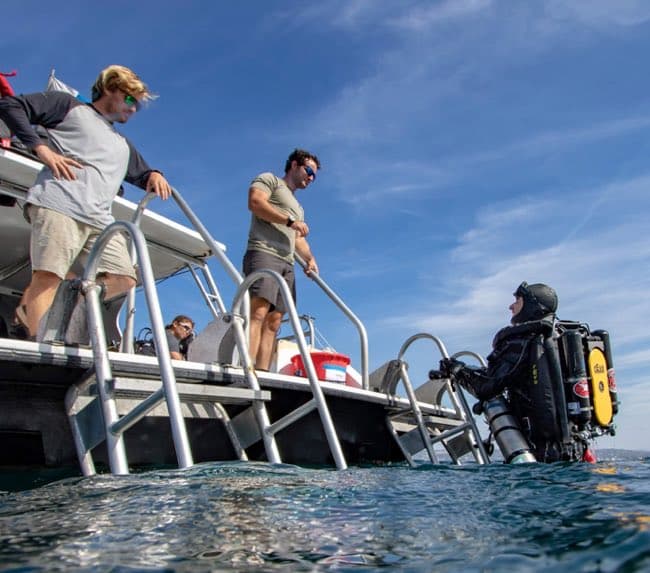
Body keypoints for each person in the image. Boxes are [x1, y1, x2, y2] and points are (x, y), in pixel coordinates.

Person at [0, 65, 172, 339]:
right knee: (49, 276)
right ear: (109, 89)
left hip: (99, 218)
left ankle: (53, 306)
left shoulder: (121, 142)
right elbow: (10, 105)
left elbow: (142, 172)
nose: (133, 109)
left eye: (137, 106)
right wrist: (42, 149)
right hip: (60, 203)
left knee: (124, 278)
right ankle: (37, 344)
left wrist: (155, 174)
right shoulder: (68, 106)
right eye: (129, 99)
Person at [441, 281, 577, 463]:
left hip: (539, 455)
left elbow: (487, 386)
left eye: (518, 301)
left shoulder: (522, 340)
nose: (511, 306)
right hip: (574, 448)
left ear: (532, 305)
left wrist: (457, 370)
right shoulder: (559, 340)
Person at [243, 148, 320, 371]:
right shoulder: (271, 180)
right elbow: (256, 202)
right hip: (264, 252)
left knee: (275, 321)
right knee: (259, 311)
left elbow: (297, 239)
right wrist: (289, 221)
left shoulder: (298, 207)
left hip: (288, 263)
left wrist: (310, 259)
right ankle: (246, 369)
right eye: (308, 170)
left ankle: (262, 372)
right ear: (294, 165)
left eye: (314, 175)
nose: (311, 177)